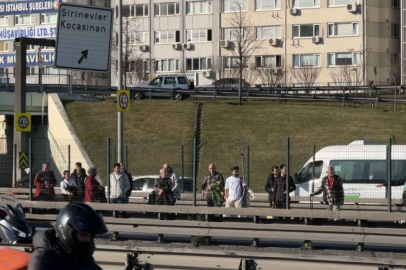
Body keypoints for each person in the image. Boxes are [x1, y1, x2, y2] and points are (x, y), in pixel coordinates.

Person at [28, 202, 108, 270]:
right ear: (68, 232)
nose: (88, 239)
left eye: (91, 236)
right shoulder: (44, 258)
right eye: (83, 234)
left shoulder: (83, 257)